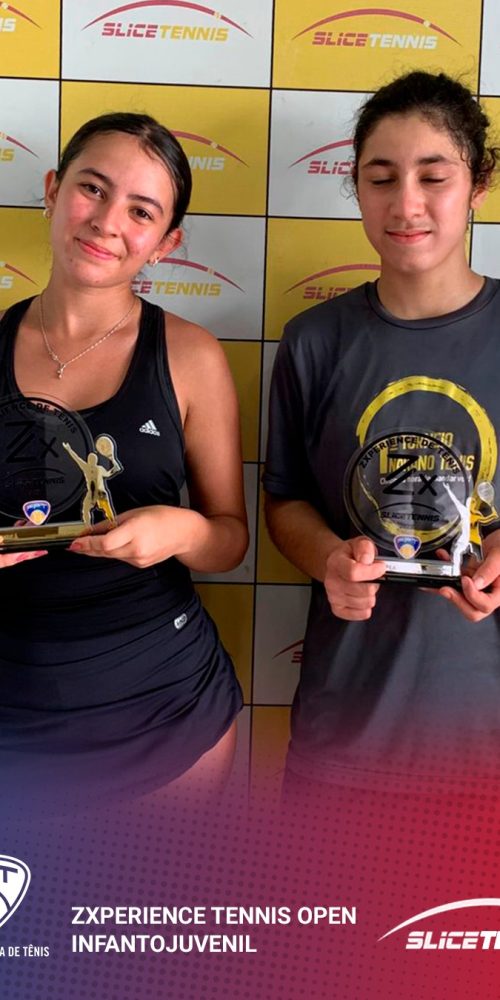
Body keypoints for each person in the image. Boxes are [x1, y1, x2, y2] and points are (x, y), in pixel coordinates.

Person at [0, 112, 248, 810]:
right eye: (93, 188)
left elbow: (230, 539)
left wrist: (182, 531)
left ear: (166, 243)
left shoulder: (192, 357)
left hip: (165, 719)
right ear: (53, 190)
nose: (107, 222)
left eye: (141, 211)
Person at [263, 71, 500, 798]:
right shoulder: (313, 340)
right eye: (381, 178)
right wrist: (329, 558)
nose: (406, 204)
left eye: (434, 176)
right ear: (357, 187)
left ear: (479, 183)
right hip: (344, 740)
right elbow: (285, 502)